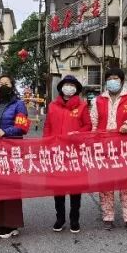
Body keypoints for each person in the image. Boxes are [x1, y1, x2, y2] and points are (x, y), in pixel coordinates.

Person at [90, 67, 127, 231]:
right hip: (104, 149)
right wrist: (93, 145)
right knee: (105, 185)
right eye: (109, 79)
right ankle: (108, 217)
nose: (112, 82)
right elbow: (93, 125)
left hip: (125, 149)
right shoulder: (98, 101)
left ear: (121, 81)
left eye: (115, 78)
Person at [0, 74, 29, 239]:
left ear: (12, 86)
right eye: (0, 83)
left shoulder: (19, 104)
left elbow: (22, 127)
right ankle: (0, 222)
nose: (3, 85)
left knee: (11, 187)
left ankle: (12, 224)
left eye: (7, 83)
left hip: (12, 152)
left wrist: (5, 132)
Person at [43, 74, 91, 233]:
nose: (69, 87)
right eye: (66, 84)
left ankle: (74, 219)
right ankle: (60, 218)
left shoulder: (82, 106)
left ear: (76, 89)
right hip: (57, 152)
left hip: (75, 153)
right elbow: (48, 127)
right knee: (59, 187)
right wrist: (46, 145)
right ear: (61, 87)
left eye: (72, 85)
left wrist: (77, 134)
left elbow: (88, 126)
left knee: (75, 187)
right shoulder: (52, 106)